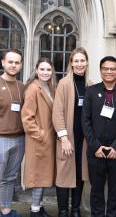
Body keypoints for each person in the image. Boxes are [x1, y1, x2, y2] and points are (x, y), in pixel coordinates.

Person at [82, 56, 116, 217]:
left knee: (115, 190)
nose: (109, 71)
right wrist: (95, 146)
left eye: (112, 69)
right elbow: (85, 121)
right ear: (100, 70)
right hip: (95, 151)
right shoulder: (91, 91)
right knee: (96, 190)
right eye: (105, 68)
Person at [52, 47, 91, 217]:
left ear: (87, 62)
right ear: (71, 63)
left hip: (84, 139)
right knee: (63, 174)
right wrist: (64, 138)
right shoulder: (64, 83)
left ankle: (75, 210)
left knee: (80, 174)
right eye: (76, 61)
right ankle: (62, 211)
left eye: (82, 60)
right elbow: (57, 112)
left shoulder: (91, 84)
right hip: (68, 137)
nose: (79, 64)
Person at [21, 58, 56, 217]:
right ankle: (34, 210)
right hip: (38, 141)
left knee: (43, 176)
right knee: (38, 176)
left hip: (47, 141)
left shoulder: (49, 87)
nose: (45, 72)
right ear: (36, 70)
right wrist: (41, 135)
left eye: (48, 70)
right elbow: (27, 118)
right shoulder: (33, 89)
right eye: (42, 69)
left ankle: (39, 207)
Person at [0, 49, 25, 217]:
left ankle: (6, 210)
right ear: (3, 62)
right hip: (1, 138)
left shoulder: (23, 87)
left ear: (21, 65)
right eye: (10, 62)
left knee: (9, 178)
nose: (13, 65)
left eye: (17, 62)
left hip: (19, 138)